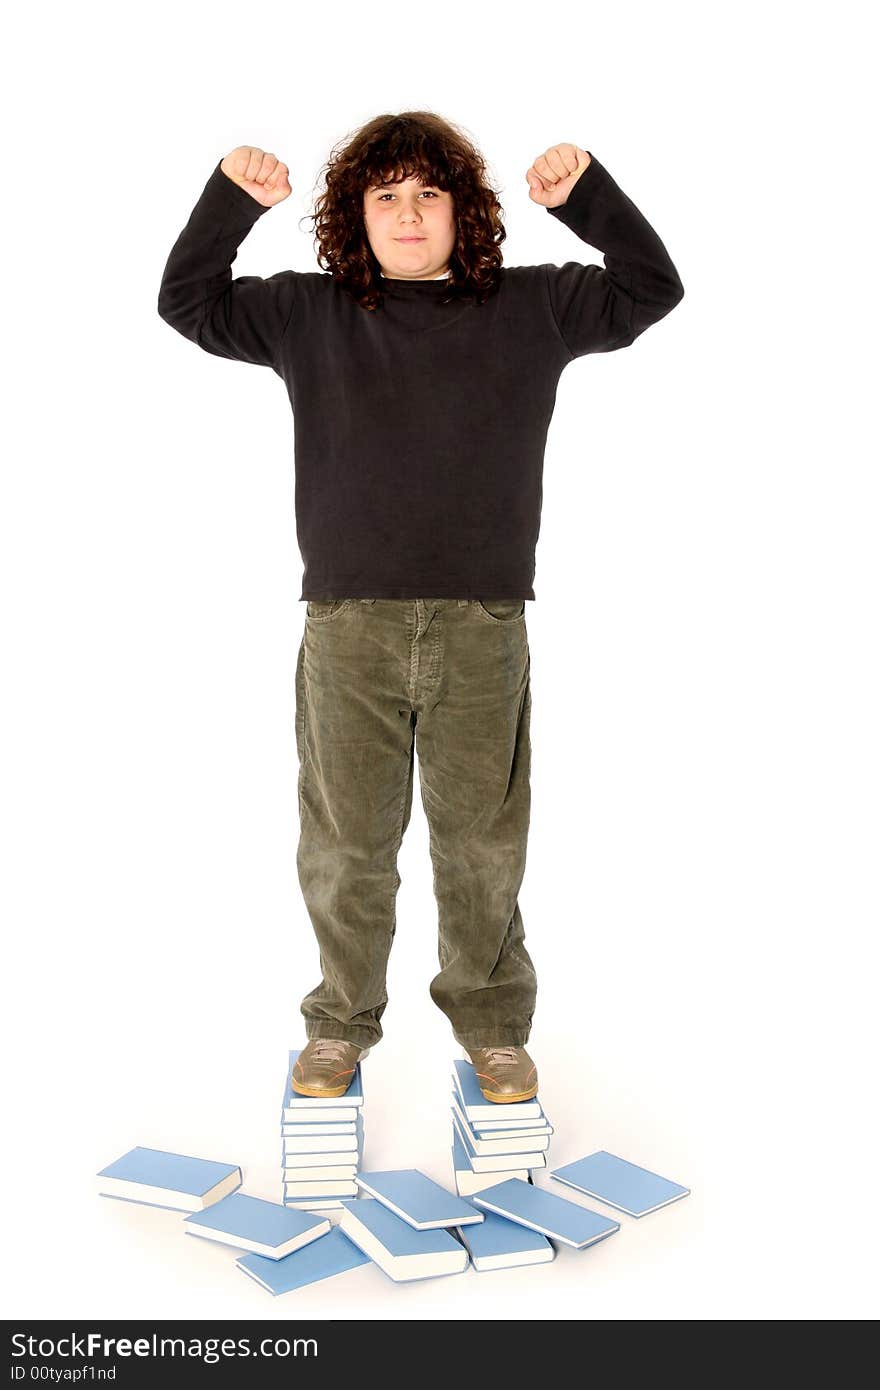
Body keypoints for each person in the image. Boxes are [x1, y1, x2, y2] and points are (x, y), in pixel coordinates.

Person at [157, 111, 684, 1104]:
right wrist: (231, 200)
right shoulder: (308, 314)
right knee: (347, 844)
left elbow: (651, 288)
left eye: (428, 195)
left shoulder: (533, 307)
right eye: (385, 196)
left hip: (482, 627)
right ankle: (339, 1023)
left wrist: (586, 200)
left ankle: (491, 1025)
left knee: (481, 843)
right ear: (357, 215)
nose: (407, 214)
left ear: (463, 212)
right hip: (347, 627)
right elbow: (187, 301)